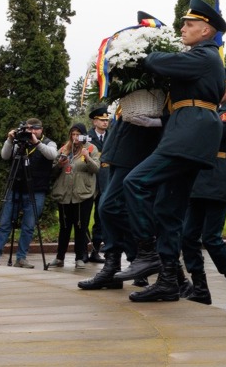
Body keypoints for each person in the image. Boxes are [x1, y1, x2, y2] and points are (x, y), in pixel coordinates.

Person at [120, 0, 226, 302]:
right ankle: (168, 280)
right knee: (169, 210)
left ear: (206, 30)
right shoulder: (203, 55)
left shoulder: (205, 56)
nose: (183, 27)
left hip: (190, 133)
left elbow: (157, 62)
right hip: (187, 130)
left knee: (135, 182)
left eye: (189, 24)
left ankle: (147, 251)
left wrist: (147, 52)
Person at [179, 68, 226, 311]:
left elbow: (208, 132)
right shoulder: (217, 111)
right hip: (202, 176)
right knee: (188, 236)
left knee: (211, 237)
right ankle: (200, 288)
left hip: (221, 175)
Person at [79, 104, 164, 290]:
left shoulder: (148, 90)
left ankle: (145, 255)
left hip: (135, 153)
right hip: (118, 154)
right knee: (109, 209)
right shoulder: (129, 99)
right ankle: (117, 265)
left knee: (109, 208)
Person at [0, 118, 58, 267]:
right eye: (29, 129)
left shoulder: (48, 143)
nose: (32, 132)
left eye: (36, 129)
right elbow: (5, 156)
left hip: (36, 190)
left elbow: (53, 155)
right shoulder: (19, 142)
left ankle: (21, 257)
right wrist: (9, 140)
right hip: (15, 188)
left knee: (28, 226)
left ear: (41, 130)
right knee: (5, 223)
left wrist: (36, 143)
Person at [51, 123, 100, 269]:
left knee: (81, 227)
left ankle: (80, 258)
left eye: (78, 134)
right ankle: (60, 258)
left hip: (83, 194)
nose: (75, 138)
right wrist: (60, 164)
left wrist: (87, 157)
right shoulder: (64, 148)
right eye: (72, 134)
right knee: (64, 227)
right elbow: (53, 171)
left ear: (84, 135)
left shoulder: (91, 148)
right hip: (65, 194)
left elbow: (96, 169)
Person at [87, 104, 112, 263]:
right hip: (89, 181)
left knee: (101, 218)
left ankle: (96, 250)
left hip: (106, 181)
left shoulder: (112, 135)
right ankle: (82, 251)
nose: (105, 123)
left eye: (106, 120)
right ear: (94, 121)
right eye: (101, 120)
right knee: (83, 217)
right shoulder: (87, 137)